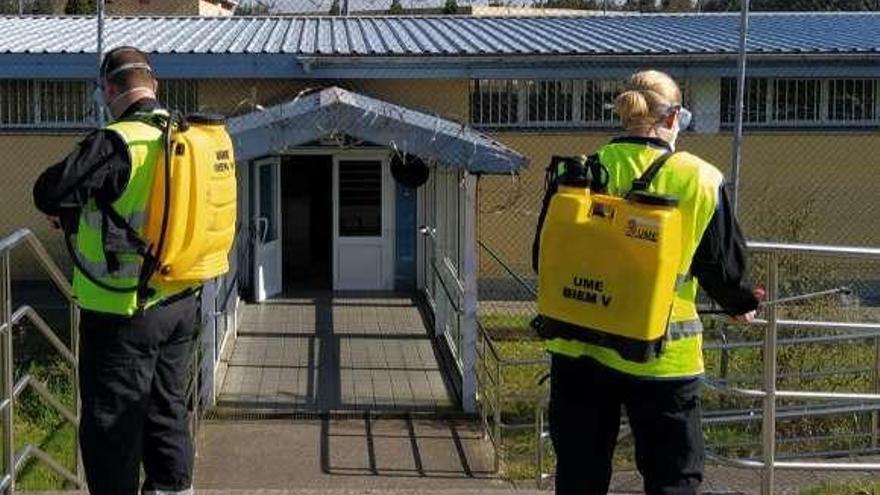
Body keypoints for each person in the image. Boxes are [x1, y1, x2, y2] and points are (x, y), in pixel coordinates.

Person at [544, 70, 759, 495]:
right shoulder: (700, 178)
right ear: (674, 117)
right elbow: (721, 263)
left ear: (626, 114)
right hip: (662, 357)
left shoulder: (580, 171)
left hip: (578, 346)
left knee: (579, 478)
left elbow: (545, 254)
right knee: (672, 479)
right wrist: (741, 302)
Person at [33, 47, 196, 495]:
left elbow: (48, 191)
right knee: (167, 413)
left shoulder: (117, 141)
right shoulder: (183, 136)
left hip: (123, 310)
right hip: (179, 300)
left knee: (111, 431)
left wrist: (67, 209)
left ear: (108, 89)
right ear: (155, 85)